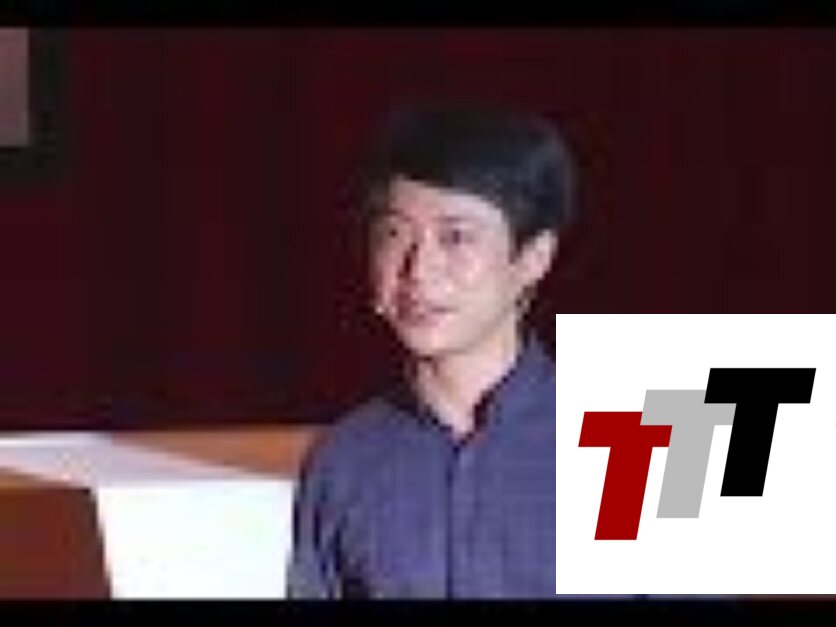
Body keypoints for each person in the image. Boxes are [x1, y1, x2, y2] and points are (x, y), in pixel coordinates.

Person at [286, 103, 575, 599]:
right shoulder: (344, 458)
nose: (417, 270)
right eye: (394, 234)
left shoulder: (644, 433)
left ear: (533, 257)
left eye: (455, 237)